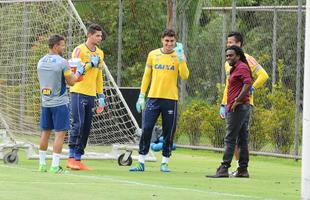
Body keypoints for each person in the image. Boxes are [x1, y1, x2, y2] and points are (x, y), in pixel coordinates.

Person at [129, 29, 189, 172]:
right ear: (162, 40)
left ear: (175, 41)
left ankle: (164, 162)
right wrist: (141, 95)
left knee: (169, 131)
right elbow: (147, 76)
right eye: (166, 41)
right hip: (153, 98)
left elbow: (185, 76)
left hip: (170, 99)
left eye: (172, 41)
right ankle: (141, 162)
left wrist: (181, 59)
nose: (169, 43)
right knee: (147, 129)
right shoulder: (153, 54)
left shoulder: (179, 55)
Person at [219, 32, 269, 174]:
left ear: (239, 44)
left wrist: (251, 87)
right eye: (227, 42)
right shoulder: (228, 61)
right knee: (236, 136)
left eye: (231, 42)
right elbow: (229, 85)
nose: (229, 45)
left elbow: (263, 75)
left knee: (234, 136)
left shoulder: (247, 59)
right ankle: (240, 168)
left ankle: (228, 168)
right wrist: (223, 103)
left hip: (242, 103)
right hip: (230, 103)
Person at [37, 34, 84, 174]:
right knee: (59, 135)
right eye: (62, 45)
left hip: (45, 103)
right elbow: (71, 82)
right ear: (56, 46)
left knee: (45, 133)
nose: (63, 48)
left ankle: (42, 165)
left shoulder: (41, 61)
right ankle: (55, 166)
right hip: (60, 104)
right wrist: (80, 72)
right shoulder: (62, 62)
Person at [207, 45, 253, 178]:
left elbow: (248, 83)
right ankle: (243, 170)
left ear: (238, 56)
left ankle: (224, 167)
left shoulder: (242, 67)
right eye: (227, 56)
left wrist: (237, 100)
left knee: (230, 138)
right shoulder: (235, 68)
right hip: (240, 107)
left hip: (238, 107)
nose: (228, 58)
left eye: (231, 55)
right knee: (242, 138)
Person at [66, 24, 106, 171]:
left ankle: (78, 158)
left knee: (87, 127)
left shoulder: (100, 53)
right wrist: (90, 64)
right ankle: (70, 157)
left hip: (91, 94)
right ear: (89, 35)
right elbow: (74, 71)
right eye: (97, 35)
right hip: (77, 91)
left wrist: (100, 95)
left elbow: (99, 76)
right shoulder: (79, 50)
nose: (100, 38)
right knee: (78, 124)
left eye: (101, 36)